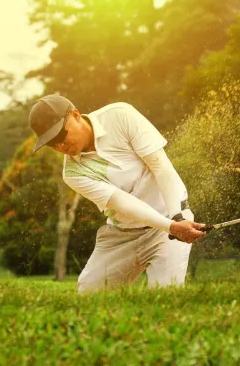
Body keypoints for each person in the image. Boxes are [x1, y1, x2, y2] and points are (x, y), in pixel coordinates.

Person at [28, 94, 206, 292]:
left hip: (169, 220)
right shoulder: (72, 173)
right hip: (122, 233)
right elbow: (123, 202)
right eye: (52, 144)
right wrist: (172, 226)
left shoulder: (120, 115)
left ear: (76, 115)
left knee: (165, 294)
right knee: (88, 293)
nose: (60, 146)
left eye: (61, 136)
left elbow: (160, 166)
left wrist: (176, 218)